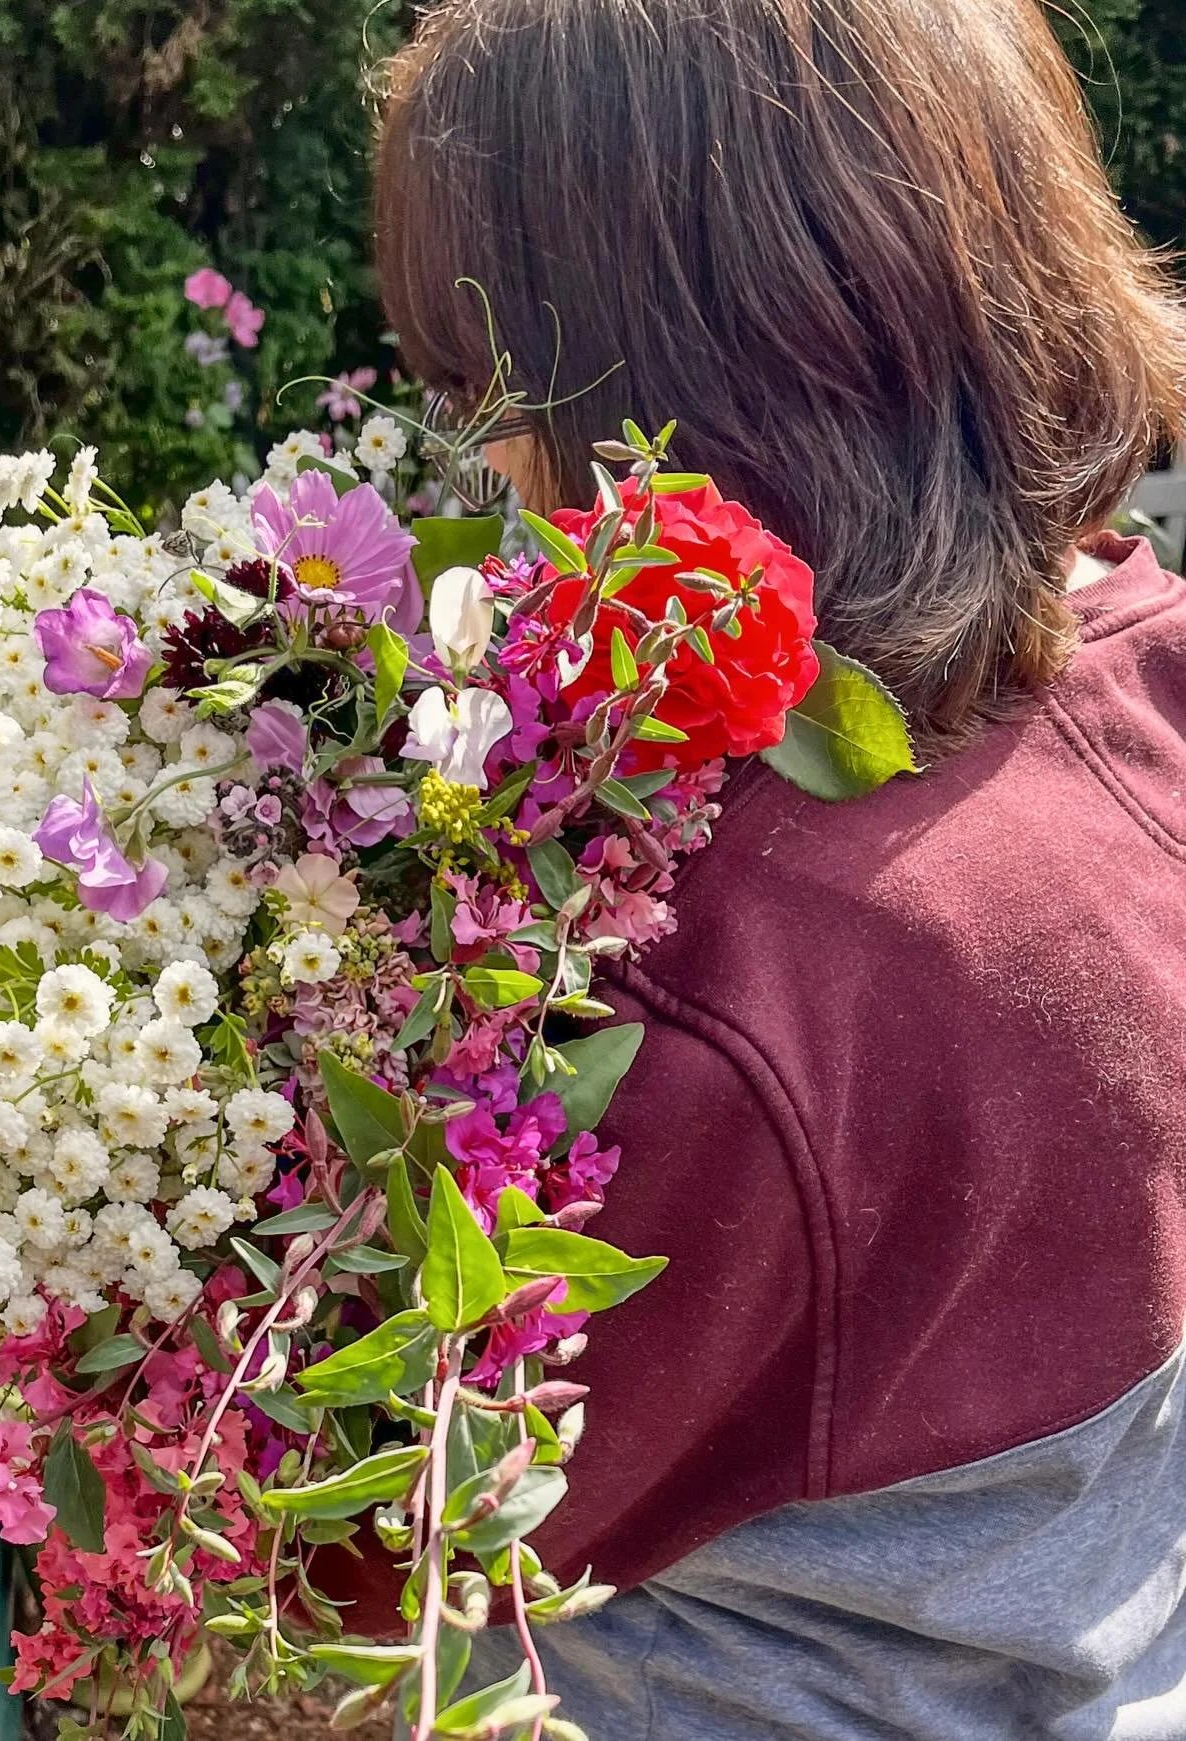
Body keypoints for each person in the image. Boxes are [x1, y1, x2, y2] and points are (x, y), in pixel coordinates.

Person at [370, 1, 1186, 1735]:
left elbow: (392, 1535)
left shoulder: (717, 986)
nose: (483, 468)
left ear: (676, 393)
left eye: (481, 387)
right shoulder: (1155, 672)